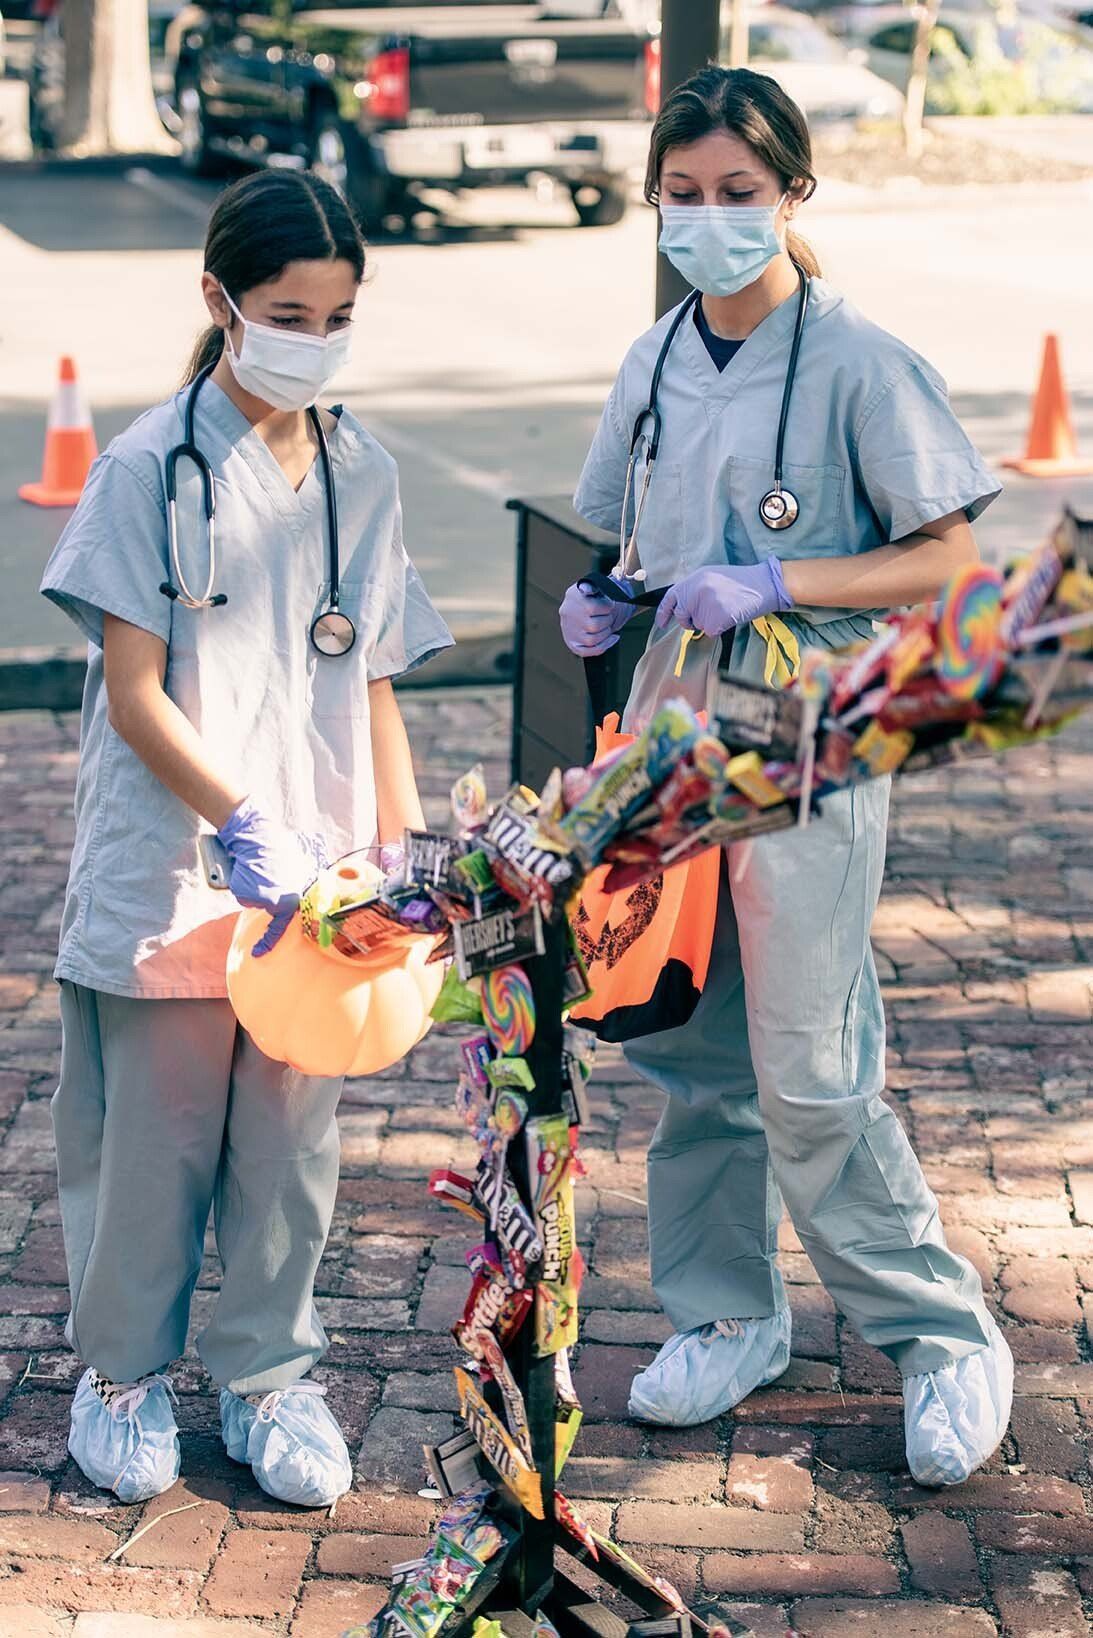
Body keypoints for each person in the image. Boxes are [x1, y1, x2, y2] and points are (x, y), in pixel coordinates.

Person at [561, 66, 1011, 1487]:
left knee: (811, 1066)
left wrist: (777, 575)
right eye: (681, 197)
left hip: (808, 730)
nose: (706, 221)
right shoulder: (649, 359)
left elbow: (950, 559)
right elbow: (626, 538)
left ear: (791, 197)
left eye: (735, 196)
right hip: (673, 731)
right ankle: (723, 1313)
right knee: (690, 1046)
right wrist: (609, 598)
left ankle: (940, 1334)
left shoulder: (859, 361)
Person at [40, 171, 452, 1507]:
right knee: (150, 1148)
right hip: (172, 870)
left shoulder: (362, 471)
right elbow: (134, 689)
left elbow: (375, 676)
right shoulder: (148, 466)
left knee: (289, 1155)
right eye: (287, 311)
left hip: (321, 896)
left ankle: (272, 1380)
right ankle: (122, 1381)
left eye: (336, 315)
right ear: (218, 301)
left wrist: (404, 849)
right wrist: (243, 820)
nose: (314, 339)